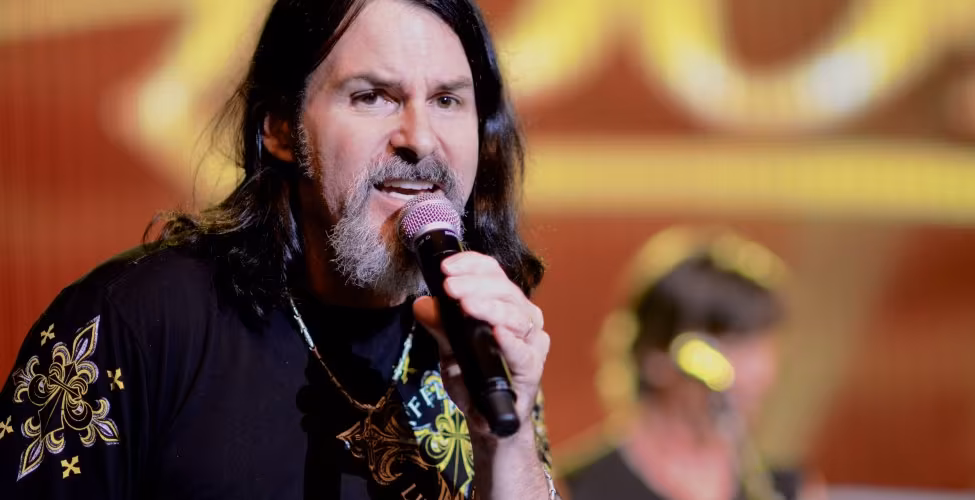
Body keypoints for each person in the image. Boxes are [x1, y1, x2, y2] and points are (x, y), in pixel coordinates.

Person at [0, 0, 558, 498]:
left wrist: (504, 445)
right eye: (372, 97)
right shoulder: (135, 320)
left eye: (446, 100)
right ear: (281, 129)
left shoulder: (479, 340)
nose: (420, 138)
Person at [563, 229, 815, 500]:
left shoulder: (784, 488)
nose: (761, 372)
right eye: (734, 344)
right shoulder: (574, 489)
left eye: (764, 348)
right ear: (656, 355)